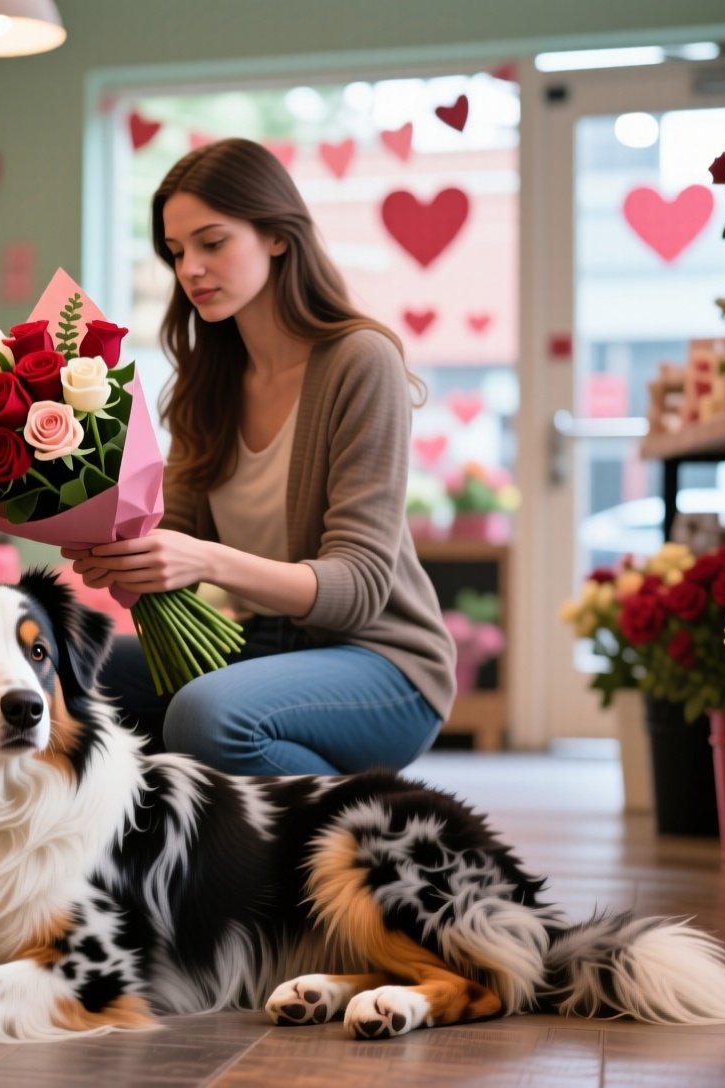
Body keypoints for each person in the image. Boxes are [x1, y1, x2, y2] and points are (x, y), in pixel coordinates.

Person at [65, 138, 455, 777]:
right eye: (176, 251)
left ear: (276, 235)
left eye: (212, 243)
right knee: (62, 672)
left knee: (207, 715)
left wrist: (205, 559)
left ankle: (358, 830)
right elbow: (178, 549)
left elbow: (356, 589)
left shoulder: (361, 361)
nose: (190, 267)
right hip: (255, 649)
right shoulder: (207, 380)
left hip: (383, 665)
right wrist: (115, 548)